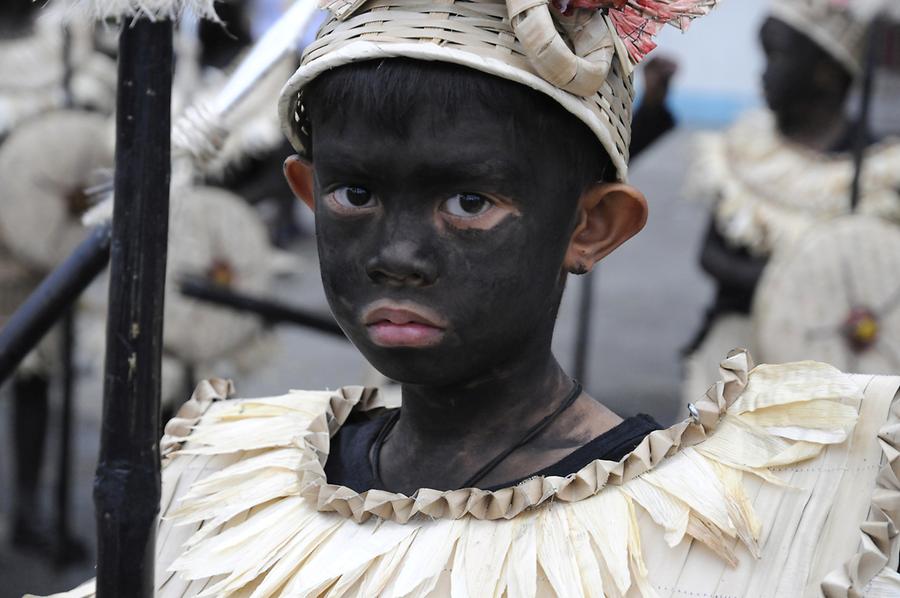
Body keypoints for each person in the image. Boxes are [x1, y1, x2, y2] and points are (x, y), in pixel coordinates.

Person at [43, 0, 900, 596]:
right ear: (304, 191)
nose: (398, 256)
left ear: (592, 227)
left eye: (468, 203)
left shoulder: (710, 539)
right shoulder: (228, 481)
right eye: (356, 195)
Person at [681, 0, 900, 406]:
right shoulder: (747, 152)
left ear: (826, 72)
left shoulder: (881, 173)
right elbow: (711, 255)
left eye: (778, 56)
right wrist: (793, 281)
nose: (764, 71)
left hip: (840, 359)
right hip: (739, 349)